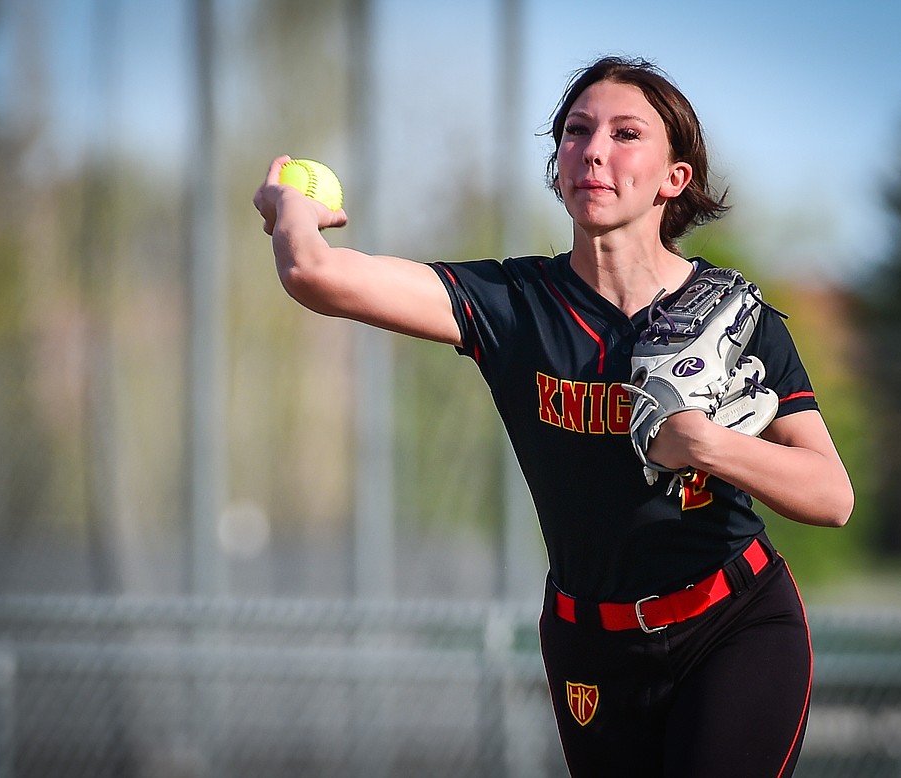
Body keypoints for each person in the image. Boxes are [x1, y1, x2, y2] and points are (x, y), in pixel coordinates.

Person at [253, 54, 853, 777]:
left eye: (626, 133)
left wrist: (704, 444)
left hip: (734, 624)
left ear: (675, 178)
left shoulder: (733, 319)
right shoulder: (514, 305)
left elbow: (831, 495)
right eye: (576, 131)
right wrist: (292, 208)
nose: (593, 150)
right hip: (592, 645)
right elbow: (315, 273)